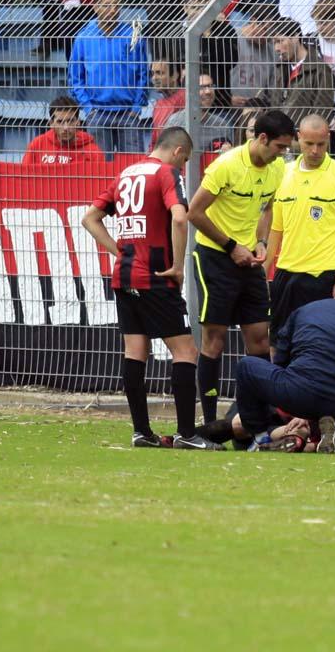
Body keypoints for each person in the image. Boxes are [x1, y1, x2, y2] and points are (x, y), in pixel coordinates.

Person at [81, 127, 223, 451]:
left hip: (125, 277)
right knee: (186, 351)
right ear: (177, 152)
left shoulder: (126, 174)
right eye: (185, 159)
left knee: (135, 351)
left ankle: (141, 432)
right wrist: (176, 266)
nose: (184, 164)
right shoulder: (166, 173)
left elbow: (90, 218)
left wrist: (120, 252)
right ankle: (187, 433)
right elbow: (179, 217)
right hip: (154, 278)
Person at [187, 110, 296, 424]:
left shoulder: (277, 169)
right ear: (261, 139)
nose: (283, 153)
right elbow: (194, 213)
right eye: (279, 146)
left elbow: (268, 207)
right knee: (215, 339)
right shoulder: (227, 166)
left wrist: (260, 241)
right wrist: (231, 246)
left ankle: (256, 416)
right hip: (215, 257)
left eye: (286, 148)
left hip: (248, 258)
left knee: (260, 338)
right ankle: (208, 422)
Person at [235, 288, 335, 454]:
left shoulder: (305, 310)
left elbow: (279, 360)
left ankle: (261, 437)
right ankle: (334, 439)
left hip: (298, 394)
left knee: (246, 366)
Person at [265, 114, 335, 348]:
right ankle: (280, 385)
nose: (314, 150)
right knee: (278, 344)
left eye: (321, 144)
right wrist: (264, 269)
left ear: (328, 139)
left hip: (324, 276)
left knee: (320, 344)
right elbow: (276, 229)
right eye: (309, 144)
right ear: (298, 138)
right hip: (286, 274)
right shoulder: (283, 173)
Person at [68, 0, 151, 155]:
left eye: (116, 6)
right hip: (97, 113)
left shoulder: (132, 35)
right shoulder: (84, 37)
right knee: (99, 169)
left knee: (132, 166)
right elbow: (75, 77)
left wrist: (136, 108)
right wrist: (88, 108)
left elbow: (143, 74)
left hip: (128, 113)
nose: (113, 10)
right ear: (95, 7)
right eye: (107, 5)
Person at [22, 95, 104, 164]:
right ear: (51, 123)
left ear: (78, 122)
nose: (66, 127)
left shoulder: (92, 152)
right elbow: (25, 175)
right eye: (60, 122)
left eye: (70, 121)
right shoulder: (38, 145)